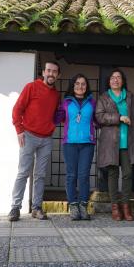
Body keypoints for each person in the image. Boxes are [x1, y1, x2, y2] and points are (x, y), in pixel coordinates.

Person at [8, 61, 61, 222]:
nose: (51, 74)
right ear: (43, 72)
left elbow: (55, 114)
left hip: (46, 138)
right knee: (23, 172)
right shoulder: (31, 87)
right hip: (29, 136)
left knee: (40, 175)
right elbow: (17, 109)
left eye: (54, 72)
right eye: (49, 70)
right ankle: (15, 208)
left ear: (58, 75)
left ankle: (36, 208)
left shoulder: (56, 94)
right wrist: (19, 130)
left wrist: (53, 125)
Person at [95, 69, 134, 221]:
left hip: (128, 141)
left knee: (128, 174)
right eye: (113, 77)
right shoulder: (104, 97)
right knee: (113, 174)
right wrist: (119, 117)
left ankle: (126, 206)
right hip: (110, 142)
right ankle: (115, 207)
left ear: (123, 81)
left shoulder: (130, 97)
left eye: (118, 77)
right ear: (109, 81)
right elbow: (99, 117)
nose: (115, 80)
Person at [55, 73, 96, 221]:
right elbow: (57, 118)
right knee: (71, 175)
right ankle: (73, 205)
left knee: (84, 176)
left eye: (83, 84)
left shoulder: (92, 102)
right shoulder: (66, 102)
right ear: (73, 86)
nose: (80, 86)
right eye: (77, 84)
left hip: (87, 143)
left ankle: (83, 205)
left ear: (87, 86)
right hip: (70, 143)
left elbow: (98, 119)